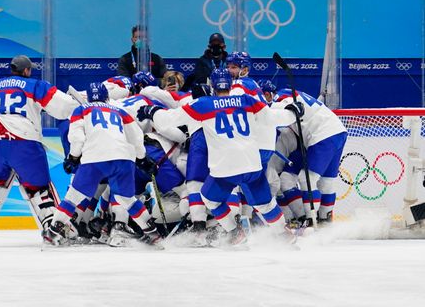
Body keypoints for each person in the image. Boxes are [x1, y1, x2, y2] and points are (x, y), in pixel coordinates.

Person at [138, 78, 303, 247]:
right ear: (230, 86)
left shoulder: (204, 104)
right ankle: (283, 234)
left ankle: (234, 232)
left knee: (210, 199)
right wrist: (293, 112)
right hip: (251, 164)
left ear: (213, 86)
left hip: (226, 168)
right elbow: (273, 117)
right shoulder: (246, 100)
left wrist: (151, 110)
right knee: (265, 204)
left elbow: (168, 120)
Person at [0, 54, 78, 247]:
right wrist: (79, 105)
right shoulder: (36, 85)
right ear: (27, 70)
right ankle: (52, 230)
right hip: (24, 142)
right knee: (38, 189)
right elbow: (64, 107)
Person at [46, 82, 163, 247]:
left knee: (72, 199)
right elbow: (136, 136)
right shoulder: (121, 111)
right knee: (127, 200)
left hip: (94, 157)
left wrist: (73, 157)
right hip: (123, 158)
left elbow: (77, 138)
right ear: (107, 96)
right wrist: (142, 158)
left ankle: (52, 233)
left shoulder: (81, 110)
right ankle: (154, 236)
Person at [270, 86, 347, 226]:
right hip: (336, 131)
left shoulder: (279, 100)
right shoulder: (296, 94)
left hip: (322, 136)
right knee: (326, 182)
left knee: (307, 179)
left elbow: (273, 117)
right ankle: (323, 221)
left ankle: (311, 222)